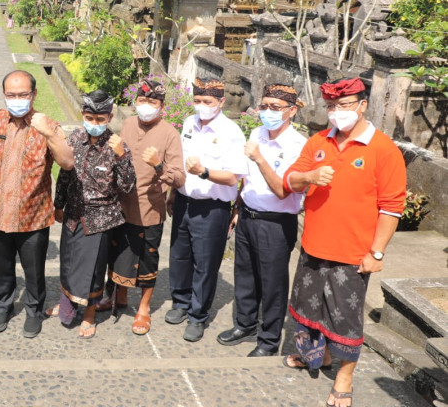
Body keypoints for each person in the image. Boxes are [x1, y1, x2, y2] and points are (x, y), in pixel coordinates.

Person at [282, 78, 405, 407]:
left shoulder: (383, 149)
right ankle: (316, 356)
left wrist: (376, 251)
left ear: (363, 105)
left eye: (344, 105)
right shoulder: (318, 141)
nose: (337, 112)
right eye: (331, 107)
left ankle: (344, 377)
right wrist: (310, 177)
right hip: (312, 246)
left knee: (345, 317)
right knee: (308, 307)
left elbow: (391, 206)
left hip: (352, 254)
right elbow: (291, 180)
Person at [0, 70, 75, 338]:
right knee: (2, 268)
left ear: (34, 94)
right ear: (3, 95)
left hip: (33, 216)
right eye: (11, 95)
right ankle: (3, 306)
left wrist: (49, 134)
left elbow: (67, 162)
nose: (17, 99)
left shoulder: (47, 125)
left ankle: (33, 310)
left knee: (34, 271)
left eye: (23, 95)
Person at [216, 84, 307, 357]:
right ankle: (244, 324)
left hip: (276, 222)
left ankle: (268, 339)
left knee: (272, 283)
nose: (267, 112)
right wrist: (237, 207)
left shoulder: (298, 145)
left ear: (291, 111)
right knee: (245, 275)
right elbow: (247, 179)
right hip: (248, 215)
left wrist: (259, 158)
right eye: (264, 106)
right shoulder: (257, 133)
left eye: (275, 107)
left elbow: (282, 190)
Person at [101, 78, 185, 335]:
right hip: (121, 205)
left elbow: (179, 178)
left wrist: (159, 165)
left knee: (147, 259)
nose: (146, 105)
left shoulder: (170, 134)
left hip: (149, 209)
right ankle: (119, 296)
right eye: (142, 100)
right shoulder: (127, 123)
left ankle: (144, 307)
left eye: (152, 102)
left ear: (161, 105)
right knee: (116, 254)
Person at [167, 77, 248, 342]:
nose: (201, 106)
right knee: (179, 255)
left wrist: (204, 172)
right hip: (183, 200)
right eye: (198, 101)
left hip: (212, 207)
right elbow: (179, 162)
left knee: (205, 263)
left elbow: (233, 177)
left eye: (208, 102)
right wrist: (172, 193)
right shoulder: (189, 123)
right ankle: (180, 302)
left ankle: (197, 315)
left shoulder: (231, 132)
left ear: (221, 102)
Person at [49, 90, 135, 339]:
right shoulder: (74, 138)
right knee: (68, 262)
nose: (94, 124)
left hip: (100, 219)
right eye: (90, 118)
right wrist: (59, 204)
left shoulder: (117, 145)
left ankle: (89, 314)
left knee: (93, 270)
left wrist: (123, 157)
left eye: (100, 119)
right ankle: (67, 304)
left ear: (109, 117)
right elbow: (65, 175)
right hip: (73, 214)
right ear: (83, 115)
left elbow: (128, 187)